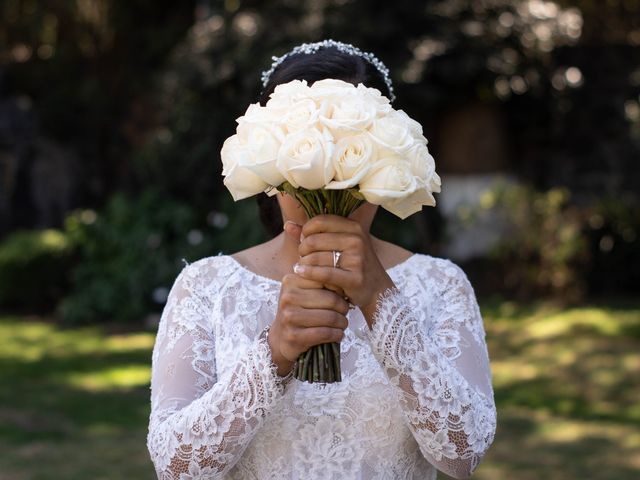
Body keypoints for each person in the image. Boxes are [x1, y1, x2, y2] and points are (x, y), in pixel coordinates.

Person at [147, 40, 496, 480]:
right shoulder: (206, 287)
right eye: (312, 157)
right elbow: (176, 468)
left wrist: (381, 300)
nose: (332, 183)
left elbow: (462, 453)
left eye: (351, 158)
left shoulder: (441, 284)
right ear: (271, 168)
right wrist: (272, 354)